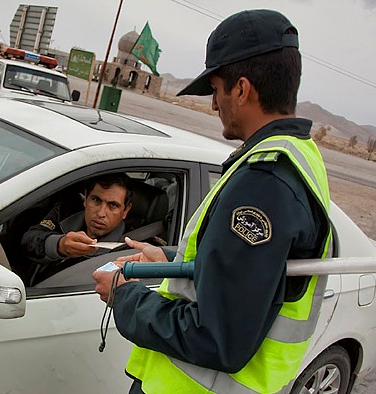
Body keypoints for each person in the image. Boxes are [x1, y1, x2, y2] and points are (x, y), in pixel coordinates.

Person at [93, 9, 333, 394]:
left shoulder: (264, 183)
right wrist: (171, 260)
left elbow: (217, 337)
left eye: (217, 90)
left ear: (241, 89)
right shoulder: (297, 155)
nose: (214, 104)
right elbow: (251, 272)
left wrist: (124, 296)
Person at [21, 173, 133, 281]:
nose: (101, 213)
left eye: (113, 205)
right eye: (96, 200)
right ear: (85, 199)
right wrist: (59, 245)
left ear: (126, 210)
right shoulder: (64, 213)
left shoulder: (129, 248)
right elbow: (28, 241)